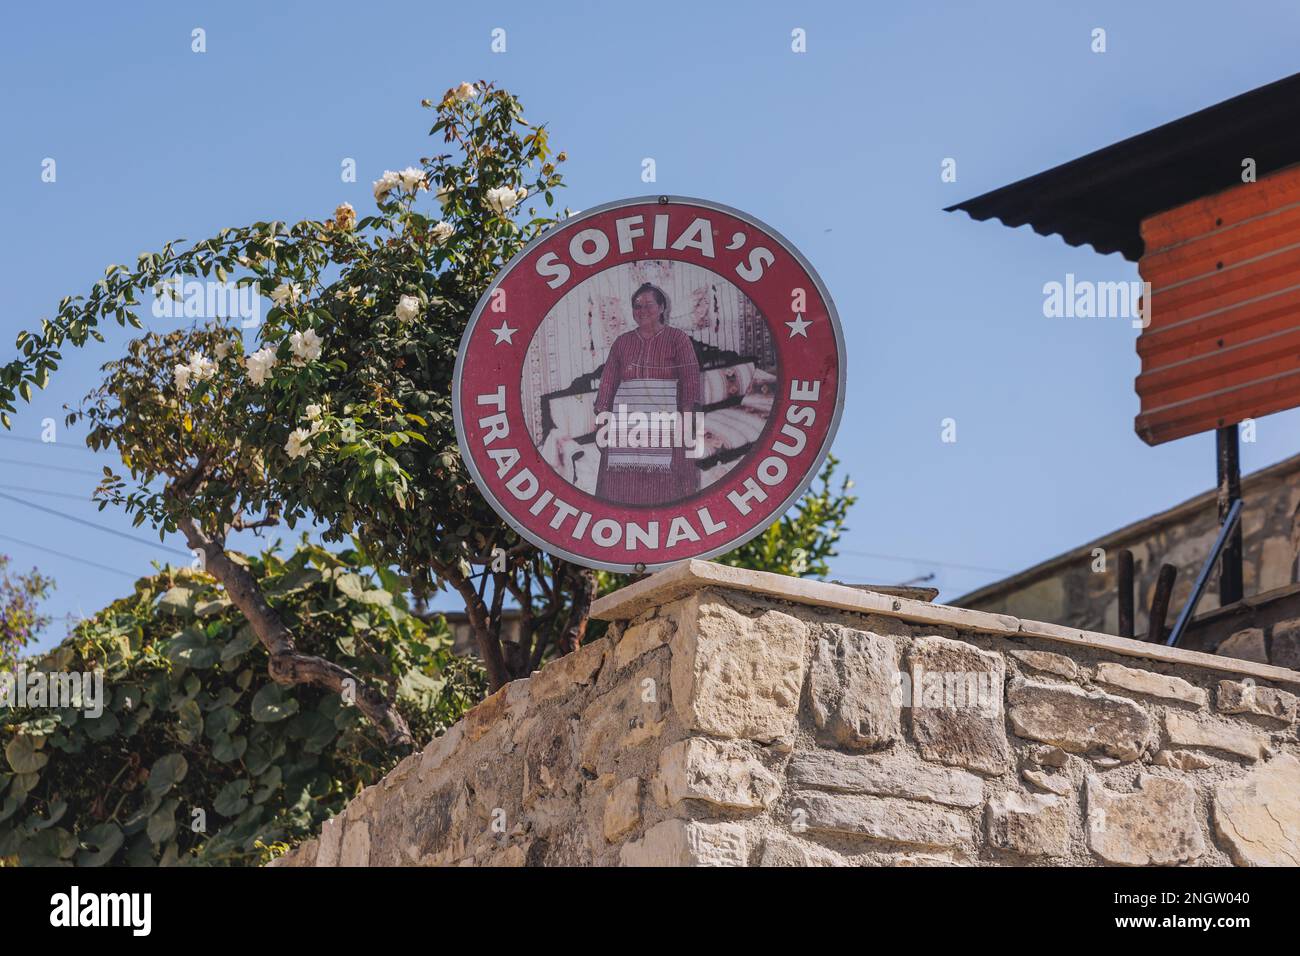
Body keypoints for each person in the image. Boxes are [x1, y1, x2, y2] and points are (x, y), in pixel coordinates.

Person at [593, 282, 702, 505]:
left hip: (668, 419)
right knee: (617, 480)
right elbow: (608, 383)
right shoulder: (622, 343)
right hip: (628, 421)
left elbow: (690, 378)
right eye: (637, 306)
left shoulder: (677, 339)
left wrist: (686, 419)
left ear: (662, 307)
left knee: (674, 478)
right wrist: (602, 419)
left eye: (648, 305)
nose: (641, 311)